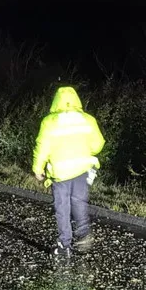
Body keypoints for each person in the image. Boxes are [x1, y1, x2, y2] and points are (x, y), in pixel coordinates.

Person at [32, 86, 105, 257]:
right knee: (79, 202)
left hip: (60, 172)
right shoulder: (88, 119)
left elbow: (42, 147)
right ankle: (84, 234)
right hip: (82, 169)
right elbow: (98, 144)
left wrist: (38, 168)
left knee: (62, 207)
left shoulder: (50, 122)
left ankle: (64, 245)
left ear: (55, 101)